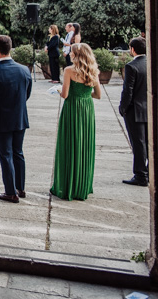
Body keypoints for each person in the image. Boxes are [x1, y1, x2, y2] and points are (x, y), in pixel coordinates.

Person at [0, 35, 33, 203]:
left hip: (1, 119)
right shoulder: (24, 70)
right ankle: (21, 187)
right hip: (19, 117)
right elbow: (27, 93)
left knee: (6, 155)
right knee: (18, 152)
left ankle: (10, 191)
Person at [50, 42, 102, 201]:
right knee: (84, 144)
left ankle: (67, 186)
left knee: (70, 143)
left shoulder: (69, 71)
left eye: (71, 52)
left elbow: (65, 95)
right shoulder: (93, 70)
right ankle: (82, 185)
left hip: (72, 108)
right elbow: (98, 95)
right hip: (87, 109)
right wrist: (85, 96)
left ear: (76, 55)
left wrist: (59, 90)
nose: (69, 54)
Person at [119, 37, 148, 186]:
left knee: (138, 144)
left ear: (132, 49)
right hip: (147, 109)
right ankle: (148, 171)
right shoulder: (150, 63)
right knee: (148, 143)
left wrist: (123, 108)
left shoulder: (132, 66)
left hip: (135, 110)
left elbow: (128, 91)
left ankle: (140, 175)